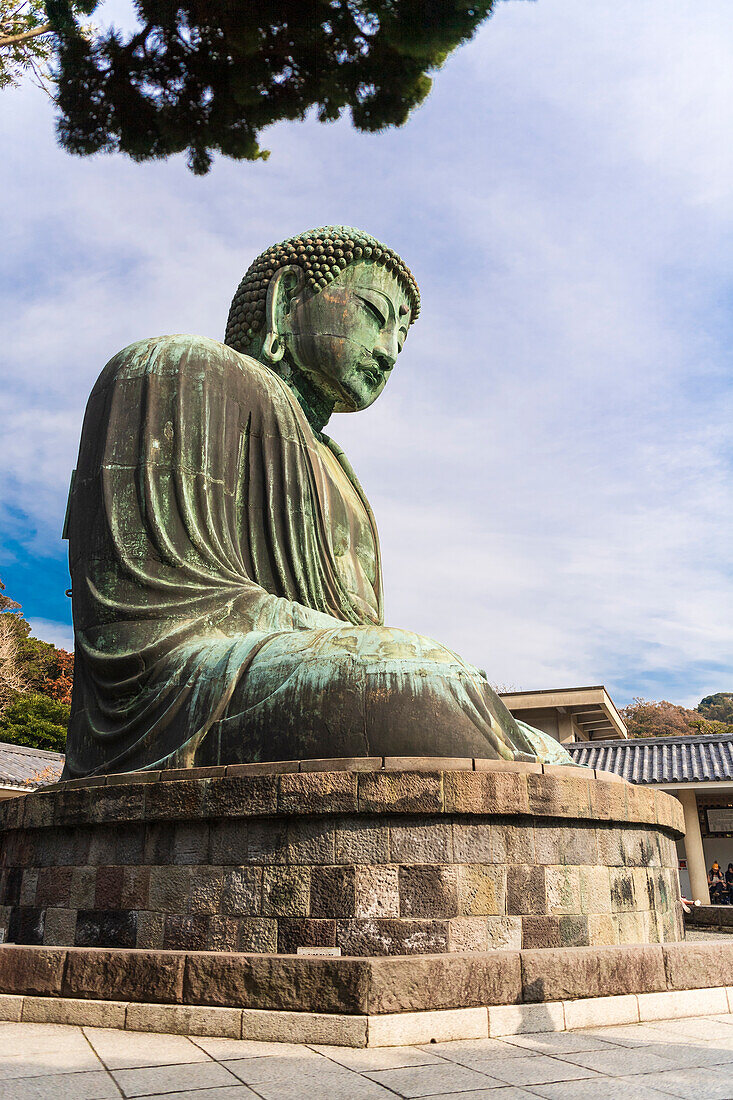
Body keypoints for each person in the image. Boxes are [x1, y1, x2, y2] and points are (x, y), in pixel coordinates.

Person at [61, 225, 580, 777]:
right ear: (287, 300)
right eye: (376, 317)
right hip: (185, 681)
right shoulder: (179, 368)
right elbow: (141, 615)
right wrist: (371, 652)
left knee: (523, 734)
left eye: (402, 339)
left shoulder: (341, 473)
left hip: (301, 663)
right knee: (422, 685)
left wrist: (367, 650)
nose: (389, 352)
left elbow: (357, 631)